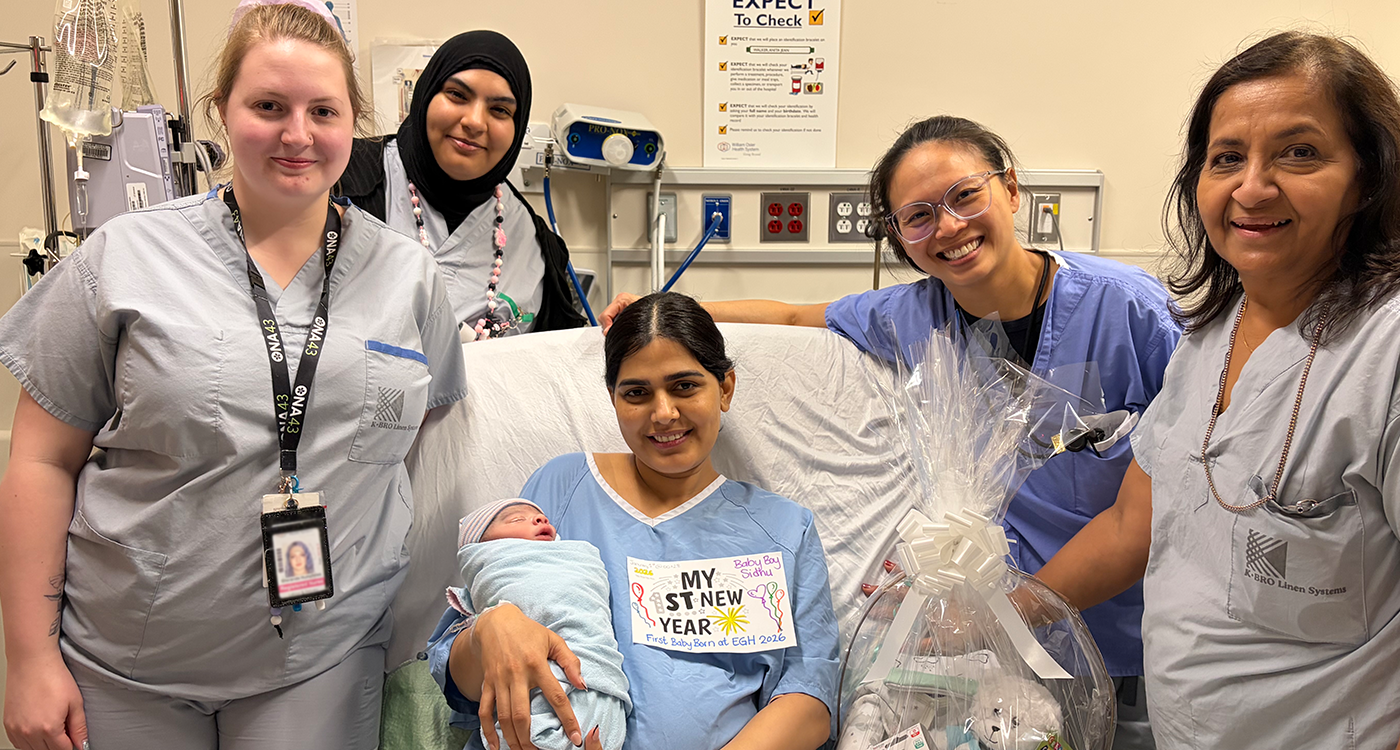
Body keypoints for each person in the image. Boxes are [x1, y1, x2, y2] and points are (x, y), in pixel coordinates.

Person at [602, 116, 1179, 746]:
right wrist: (656, 312)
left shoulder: (1131, 311)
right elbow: (794, 314)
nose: (949, 228)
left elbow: (1158, 507)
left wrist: (1012, 613)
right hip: (987, 654)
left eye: (966, 196)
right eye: (918, 216)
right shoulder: (913, 315)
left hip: (1126, 645)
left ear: (1012, 190)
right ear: (900, 236)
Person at [0, 4, 467, 749]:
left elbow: (432, 438)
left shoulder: (408, 278)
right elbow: (40, 458)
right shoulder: (124, 258)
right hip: (128, 658)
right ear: (222, 112)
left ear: (356, 122)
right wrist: (26, 659)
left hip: (321, 654)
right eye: (268, 107)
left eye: (323, 110)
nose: (297, 134)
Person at [1035, 31, 1400, 749]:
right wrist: (1004, 609)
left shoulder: (1383, 355)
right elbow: (1131, 525)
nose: (1253, 187)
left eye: (1300, 152)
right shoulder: (1211, 334)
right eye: (1226, 158)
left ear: (1369, 176)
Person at [427, 292, 840, 750]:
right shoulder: (560, 489)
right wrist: (488, 631)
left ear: (724, 388)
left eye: (685, 386)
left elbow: (808, 699)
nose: (663, 413)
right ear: (613, 398)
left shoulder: (782, 529)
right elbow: (454, 671)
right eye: (637, 393)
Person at [336, 30, 586, 339]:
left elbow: (556, 358)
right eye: (457, 95)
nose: (475, 122)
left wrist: (619, 333)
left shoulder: (535, 244)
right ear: (426, 95)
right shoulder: (341, 180)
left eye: (500, 110)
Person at [444, 499, 631, 750]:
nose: (540, 519)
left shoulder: (577, 559)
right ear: (483, 549)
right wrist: (492, 622)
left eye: (542, 517)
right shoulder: (496, 574)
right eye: (516, 519)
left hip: (600, 680)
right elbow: (446, 661)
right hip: (534, 696)